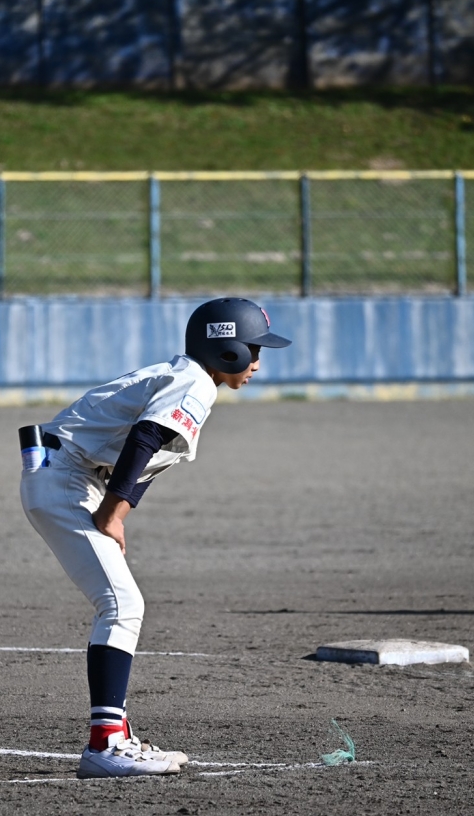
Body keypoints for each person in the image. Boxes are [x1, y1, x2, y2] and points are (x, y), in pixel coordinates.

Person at [19, 298, 291, 778]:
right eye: (253, 350)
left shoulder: (188, 378)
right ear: (226, 348)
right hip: (66, 479)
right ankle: (106, 745)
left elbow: (147, 458)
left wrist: (116, 513)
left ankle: (116, 736)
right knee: (122, 605)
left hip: (67, 475)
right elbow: (144, 439)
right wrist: (112, 513)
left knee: (121, 604)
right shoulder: (194, 383)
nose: (256, 362)